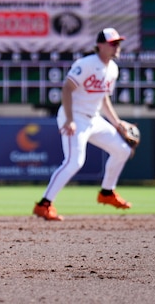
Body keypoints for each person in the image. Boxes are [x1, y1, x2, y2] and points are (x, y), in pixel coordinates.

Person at [33, 28, 138, 221]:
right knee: (74, 162)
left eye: (118, 43)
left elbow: (103, 98)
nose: (117, 47)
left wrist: (116, 123)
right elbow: (67, 88)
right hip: (74, 117)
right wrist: (70, 120)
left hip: (94, 118)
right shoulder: (86, 63)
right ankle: (44, 204)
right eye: (113, 43)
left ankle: (107, 192)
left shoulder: (113, 69)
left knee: (123, 150)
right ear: (100, 45)